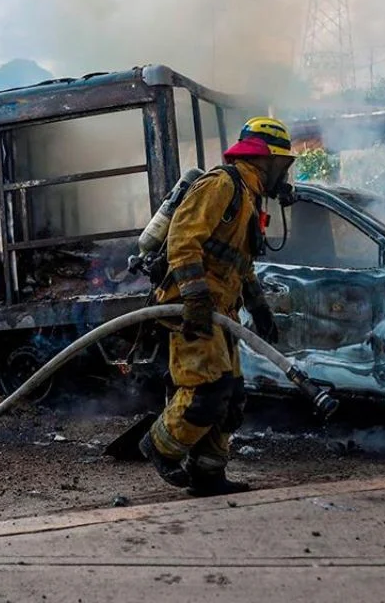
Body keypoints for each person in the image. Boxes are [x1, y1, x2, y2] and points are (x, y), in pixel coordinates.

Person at [139, 117, 294, 497]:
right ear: (267, 159)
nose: (284, 174)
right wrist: (193, 297)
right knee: (209, 388)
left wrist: (260, 310)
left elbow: (239, 264)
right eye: (282, 164)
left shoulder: (248, 196)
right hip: (192, 308)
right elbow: (182, 240)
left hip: (222, 312)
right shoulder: (222, 185)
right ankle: (159, 445)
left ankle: (208, 474)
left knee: (233, 396)